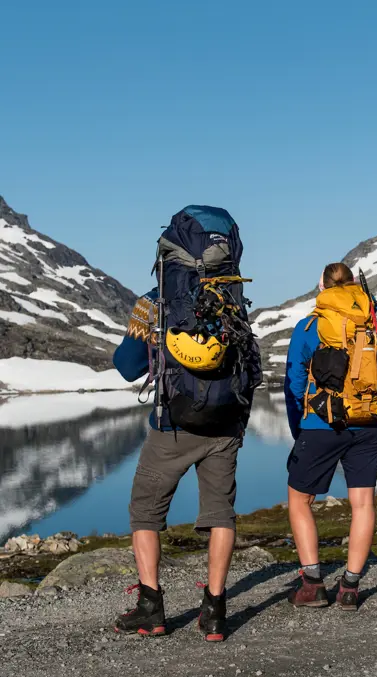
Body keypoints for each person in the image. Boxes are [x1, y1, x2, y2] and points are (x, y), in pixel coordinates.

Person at [111, 205, 261, 641]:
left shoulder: (157, 300)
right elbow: (251, 365)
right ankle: (214, 612)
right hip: (225, 424)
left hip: (171, 426)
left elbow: (126, 366)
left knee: (145, 512)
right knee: (220, 514)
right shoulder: (232, 297)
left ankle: (151, 608)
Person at [283, 262, 377, 610]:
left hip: (322, 424)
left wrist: (299, 429)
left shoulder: (309, 326)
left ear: (322, 288)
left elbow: (294, 384)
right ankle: (350, 587)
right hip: (371, 423)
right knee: (363, 504)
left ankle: (313, 584)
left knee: (300, 500)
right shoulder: (372, 325)